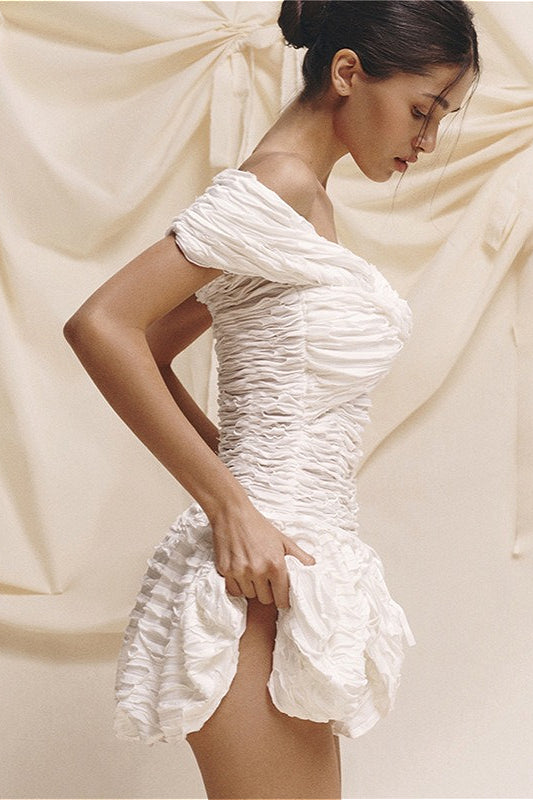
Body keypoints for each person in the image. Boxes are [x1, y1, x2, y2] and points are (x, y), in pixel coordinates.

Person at [64, 1, 479, 798]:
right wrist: (231, 507)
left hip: (289, 569)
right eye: (422, 110)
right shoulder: (279, 185)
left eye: (440, 119)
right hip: (250, 582)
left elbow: (154, 347)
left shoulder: (303, 200)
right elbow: (103, 326)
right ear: (348, 72)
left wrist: (235, 483)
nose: (426, 141)